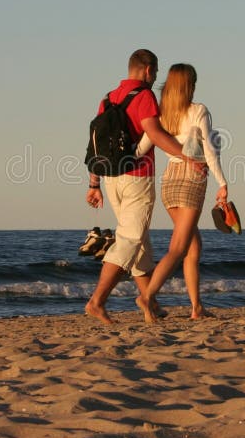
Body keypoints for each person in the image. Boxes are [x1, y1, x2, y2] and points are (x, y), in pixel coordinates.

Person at [84, 50, 206, 325]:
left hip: (110, 179)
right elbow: (155, 133)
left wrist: (94, 183)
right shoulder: (144, 96)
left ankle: (151, 303)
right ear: (148, 70)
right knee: (130, 239)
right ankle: (97, 301)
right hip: (136, 177)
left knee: (141, 243)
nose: (156, 77)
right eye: (156, 71)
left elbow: (97, 143)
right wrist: (188, 157)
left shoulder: (108, 98)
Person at [134, 63, 229, 323]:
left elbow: (141, 147)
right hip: (191, 180)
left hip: (170, 182)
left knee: (193, 246)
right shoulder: (199, 110)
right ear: (189, 85)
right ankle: (147, 296)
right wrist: (222, 182)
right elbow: (209, 150)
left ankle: (196, 307)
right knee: (177, 248)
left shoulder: (161, 114)